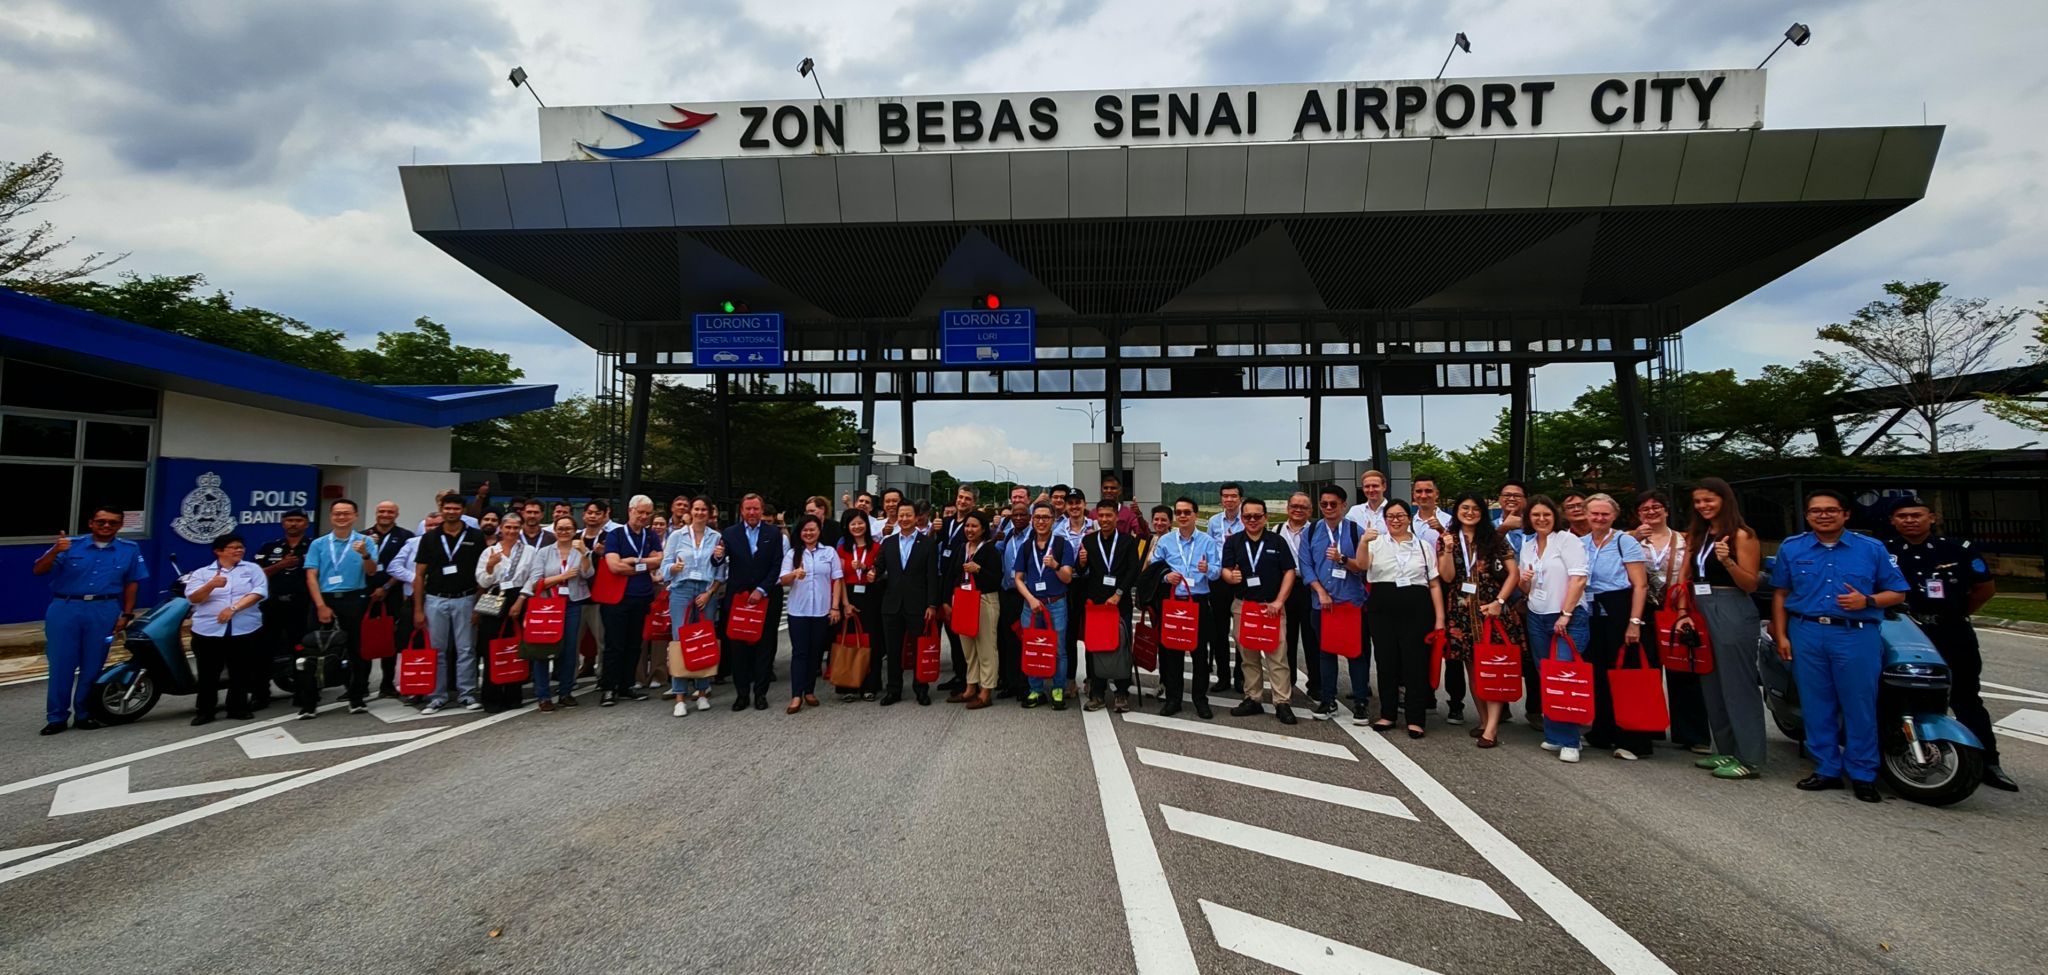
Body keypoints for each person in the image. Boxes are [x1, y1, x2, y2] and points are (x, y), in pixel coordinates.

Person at [1771, 488, 1910, 803]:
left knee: (1859, 704)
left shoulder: (1871, 549)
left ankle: (1863, 772)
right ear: (1807, 516)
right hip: (1807, 631)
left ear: (1845, 514)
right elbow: (1781, 593)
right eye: (1816, 511)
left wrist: (1868, 600)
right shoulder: (1792, 548)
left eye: (1831, 510)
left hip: (1855, 634)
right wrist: (1781, 636)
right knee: (1816, 703)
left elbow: (1897, 592)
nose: (1823, 515)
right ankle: (1827, 768)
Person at [1885, 497, 2015, 791]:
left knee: (1966, 696)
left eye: (1916, 515)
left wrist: (1954, 614)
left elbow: (1984, 589)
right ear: (1893, 521)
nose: (1910, 520)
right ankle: (1897, 749)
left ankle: (1988, 762)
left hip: (1951, 631)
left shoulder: (1958, 549)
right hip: (1903, 632)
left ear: (1931, 518)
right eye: (1902, 516)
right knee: (1896, 692)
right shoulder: (1883, 551)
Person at [32, 506, 148, 735]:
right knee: (61, 664)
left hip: (104, 609)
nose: (106, 526)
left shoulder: (129, 549)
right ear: (91, 523)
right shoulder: (70, 545)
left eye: (113, 522)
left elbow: (132, 583)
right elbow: (38, 570)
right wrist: (55, 550)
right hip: (66, 608)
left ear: (120, 525)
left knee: (93, 665)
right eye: (101, 521)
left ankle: (84, 713)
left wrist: (126, 614)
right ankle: (57, 717)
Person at [1683, 477, 1769, 780]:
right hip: (1701, 606)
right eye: (1698, 501)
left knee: (1738, 685)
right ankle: (1726, 749)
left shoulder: (1742, 535)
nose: (1703, 506)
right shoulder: (1701, 534)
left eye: (1709, 500)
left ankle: (1750, 757)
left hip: (1731, 605)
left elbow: (1750, 584)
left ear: (1724, 499)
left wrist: (1728, 561)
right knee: (1713, 684)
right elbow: (1689, 575)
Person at [1438, 492, 1520, 747]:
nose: (1470, 512)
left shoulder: (1494, 538)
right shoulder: (1447, 538)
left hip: (1491, 611)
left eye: (1475, 508)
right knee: (1473, 670)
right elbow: (1447, 577)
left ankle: (1492, 728)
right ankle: (1484, 720)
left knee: (1491, 668)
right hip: (1461, 612)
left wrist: (1500, 602)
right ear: (1456, 511)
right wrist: (1448, 550)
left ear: (1482, 513)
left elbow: (1513, 573)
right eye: (1465, 508)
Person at [1359, 499, 1444, 737]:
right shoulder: (1375, 541)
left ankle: (1415, 718)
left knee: (1415, 662)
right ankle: (1388, 714)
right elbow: (1362, 565)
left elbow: (1434, 584)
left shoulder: (1423, 546)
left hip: (1417, 608)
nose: (1395, 520)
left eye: (1400, 516)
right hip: (1382, 607)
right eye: (1390, 516)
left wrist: (1439, 618)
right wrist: (1363, 542)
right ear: (1385, 519)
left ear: (1409, 518)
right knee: (1386, 661)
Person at [1633, 490, 1709, 754]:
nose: (1651, 512)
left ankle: (1692, 734)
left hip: (1678, 609)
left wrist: (1684, 608)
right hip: (1643, 610)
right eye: (1645, 509)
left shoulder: (1685, 540)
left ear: (1666, 510)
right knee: (1647, 669)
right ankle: (1650, 727)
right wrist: (1633, 538)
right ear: (1638, 514)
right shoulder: (1631, 540)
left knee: (1684, 668)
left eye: (1656, 507)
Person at [1579, 494, 1652, 760]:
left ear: (1614, 516)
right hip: (1591, 611)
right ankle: (1602, 731)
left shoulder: (1625, 541)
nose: (1599, 518)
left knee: (1625, 675)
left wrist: (1634, 622)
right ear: (1586, 514)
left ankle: (1632, 740)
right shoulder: (1580, 543)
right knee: (1598, 673)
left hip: (1620, 609)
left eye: (1605, 514)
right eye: (1594, 513)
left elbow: (1640, 585)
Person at [1519, 495, 1590, 763]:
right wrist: (1525, 581)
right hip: (1537, 616)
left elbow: (1579, 578)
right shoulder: (1528, 546)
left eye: (1546, 514)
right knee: (1546, 675)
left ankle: (1571, 741)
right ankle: (1555, 734)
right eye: (1535, 515)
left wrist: (1566, 613)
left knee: (1563, 675)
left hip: (1567, 618)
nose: (1541, 519)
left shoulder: (1567, 540)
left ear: (1554, 516)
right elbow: (1526, 588)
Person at [1223, 498, 1300, 725]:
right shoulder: (1234, 541)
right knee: (1248, 656)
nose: (1252, 520)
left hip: (1272, 607)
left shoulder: (1277, 541)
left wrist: (1279, 601)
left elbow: (1289, 572)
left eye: (1257, 516)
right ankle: (1253, 698)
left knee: (1277, 656)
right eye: (1247, 516)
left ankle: (1282, 701)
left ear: (1265, 517)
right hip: (1244, 606)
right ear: (1242, 518)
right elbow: (1225, 569)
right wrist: (1230, 576)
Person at [303, 498, 382, 717]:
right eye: (337, 513)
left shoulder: (366, 541)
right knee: (315, 650)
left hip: (354, 599)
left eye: (346, 513)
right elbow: (311, 576)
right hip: (325, 598)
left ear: (355, 516)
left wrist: (365, 554)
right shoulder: (318, 544)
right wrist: (320, 605)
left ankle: (356, 698)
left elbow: (371, 571)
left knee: (357, 650)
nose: (341, 517)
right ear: (331, 517)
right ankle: (309, 702)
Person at [182, 533, 269, 726]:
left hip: (245, 629)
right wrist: (211, 585)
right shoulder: (202, 573)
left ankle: (238, 707)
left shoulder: (252, 569)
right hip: (208, 631)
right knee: (208, 673)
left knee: (241, 670)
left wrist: (233, 609)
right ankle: (205, 710)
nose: (239, 550)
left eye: (241, 547)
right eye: (233, 547)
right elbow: (193, 598)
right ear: (218, 551)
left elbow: (259, 592)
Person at [415, 493, 487, 714]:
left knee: (466, 649)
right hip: (435, 599)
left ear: (462, 511)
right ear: (441, 509)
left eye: (456, 508)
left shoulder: (476, 536)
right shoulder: (430, 537)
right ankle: (437, 696)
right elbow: (419, 574)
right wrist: (418, 609)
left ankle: (466, 694)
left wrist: (479, 605)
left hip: (466, 599)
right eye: (447, 508)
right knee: (437, 650)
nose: (451, 512)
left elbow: (482, 574)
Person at [1151, 497, 1221, 719]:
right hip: (1174, 602)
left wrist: (1208, 569)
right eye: (1179, 512)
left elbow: (1217, 572)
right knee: (1172, 654)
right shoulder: (1166, 541)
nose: (1182, 516)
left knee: (1200, 654)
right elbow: (1155, 568)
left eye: (1187, 512)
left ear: (1195, 515)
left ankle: (1200, 699)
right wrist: (1166, 576)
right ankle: (1174, 699)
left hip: (1198, 602)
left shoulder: (1207, 541)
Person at [1304, 485, 1369, 721]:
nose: (1329, 508)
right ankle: (1328, 700)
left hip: (1351, 602)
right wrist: (1320, 592)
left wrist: (1342, 559)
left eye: (1333, 504)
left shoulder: (1355, 531)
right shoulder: (1311, 531)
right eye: (1324, 504)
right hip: (1323, 604)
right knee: (1326, 652)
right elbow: (1306, 566)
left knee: (1356, 654)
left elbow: (1363, 566)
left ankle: (1361, 701)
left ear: (1344, 505)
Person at [661, 498, 726, 715]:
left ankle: (702, 691)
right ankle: (679, 695)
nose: (700, 513)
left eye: (704, 510)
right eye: (696, 509)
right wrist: (674, 568)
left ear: (709, 513)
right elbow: (664, 567)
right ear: (691, 511)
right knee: (680, 639)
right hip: (682, 589)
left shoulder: (716, 537)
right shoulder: (677, 536)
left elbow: (720, 573)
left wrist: (709, 593)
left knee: (703, 639)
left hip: (706, 590)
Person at [720, 493, 785, 711]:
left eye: (755, 508)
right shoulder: (730, 533)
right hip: (739, 599)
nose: (752, 512)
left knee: (764, 648)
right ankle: (741, 694)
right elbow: (718, 561)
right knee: (738, 649)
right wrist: (717, 556)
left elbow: (777, 565)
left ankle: (760, 693)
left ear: (761, 510)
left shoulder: (773, 533)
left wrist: (761, 589)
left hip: (765, 598)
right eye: (748, 509)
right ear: (741, 511)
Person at [523, 515, 593, 712]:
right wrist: (562, 576)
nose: (564, 532)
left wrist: (585, 553)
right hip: (548, 604)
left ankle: (565, 692)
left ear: (574, 530)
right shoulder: (544, 552)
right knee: (543, 649)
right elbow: (536, 581)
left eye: (568, 528)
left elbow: (588, 574)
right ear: (554, 530)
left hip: (572, 604)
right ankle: (543, 695)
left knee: (569, 650)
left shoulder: (581, 550)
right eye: (560, 528)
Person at [1013, 500, 1079, 710]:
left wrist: (1055, 565)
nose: (1041, 521)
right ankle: (1036, 689)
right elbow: (1018, 579)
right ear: (1032, 520)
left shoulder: (1062, 545)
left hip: (1056, 604)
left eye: (1046, 518)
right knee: (1033, 646)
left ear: (1053, 520)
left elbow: (1067, 578)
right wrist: (1030, 599)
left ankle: (1058, 688)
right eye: (1037, 517)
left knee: (1059, 649)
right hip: (1031, 605)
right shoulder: (1026, 547)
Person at [599, 496, 662, 708]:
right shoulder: (615, 535)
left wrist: (635, 561)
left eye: (648, 513)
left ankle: (627, 685)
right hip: (617, 597)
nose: (644, 517)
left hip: (642, 596)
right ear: (630, 511)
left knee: (634, 644)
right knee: (614, 644)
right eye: (640, 512)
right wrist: (644, 565)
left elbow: (659, 560)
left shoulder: (650, 535)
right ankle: (609, 687)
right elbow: (614, 566)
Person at [778, 515, 844, 714]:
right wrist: (794, 574)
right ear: (800, 533)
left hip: (821, 611)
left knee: (815, 652)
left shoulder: (829, 552)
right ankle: (796, 695)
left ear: (819, 531)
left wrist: (835, 607)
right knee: (800, 653)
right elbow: (782, 580)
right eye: (805, 530)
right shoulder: (793, 554)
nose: (809, 533)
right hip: (798, 611)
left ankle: (809, 691)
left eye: (812, 529)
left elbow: (837, 580)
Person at [938, 509, 1003, 709]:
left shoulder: (990, 550)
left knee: (986, 648)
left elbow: (996, 580)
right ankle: (970, 688)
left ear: (983, 529)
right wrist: (946, 601)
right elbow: (951, 575)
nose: (969, 529)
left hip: (984, 600)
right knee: (968, 648)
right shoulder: (961, 548)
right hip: (963, 600)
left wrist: (979, 570)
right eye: (967, 526)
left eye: (974, 526)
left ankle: (986, 691)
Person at [1077, 500, 1138, 713]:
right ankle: (1097, 693)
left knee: (1122, 646)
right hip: (1097, 603)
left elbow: (1133, 570)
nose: (1104, 519)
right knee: (1095, 647)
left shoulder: (1127, 541)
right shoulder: (1088, 540)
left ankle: (1121, 692)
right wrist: (1081, 562)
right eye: (1101, 515)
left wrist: (1119, 593)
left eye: (1108, 515)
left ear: (1116, 517)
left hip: (1120, 602)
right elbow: (1082, 572)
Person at [878, 499, 940, 706]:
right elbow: (879, 568)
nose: (904, 519)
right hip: (892, 604)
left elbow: (932, 577)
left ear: (916, 517)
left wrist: (932, 605)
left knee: (920, 648)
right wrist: (871, 572)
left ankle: (921, 689)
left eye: (908, 515)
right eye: (901, 515)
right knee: (893, 650)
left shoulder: (928, 543)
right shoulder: (888, 542)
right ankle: (893, 689)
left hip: (918, 605)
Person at [474, 511, 535, 711]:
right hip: (494, 597)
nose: (511, 531)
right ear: (501, 528)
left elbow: (533, 577)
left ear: (521, 529)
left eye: (516, 527)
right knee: (491, 646)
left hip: (518, 596)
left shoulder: (529, 551)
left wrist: (520, 600)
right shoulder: (490, 551)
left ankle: (513, 695)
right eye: (508, 527)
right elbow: (482, 581)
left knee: (515, 646)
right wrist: (490, 567)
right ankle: (491, 698)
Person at [252, 509, 312, 710]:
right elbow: (256, 574)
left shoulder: (315, 546)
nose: (294, 524)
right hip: (272, 606)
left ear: (306, 523)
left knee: (302, 650)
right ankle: (260, 695)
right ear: (283, 523)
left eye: (298, 520)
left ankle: (303, 692)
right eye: (289, 520)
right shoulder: (269, 547)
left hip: (302, 606)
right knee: (263, 651)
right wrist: (281, 565)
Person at [365, 501, 413, 700]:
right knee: (363, 638)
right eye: (381, 511)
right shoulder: (363, 535)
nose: (385, 514)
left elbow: (405, 566)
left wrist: (385, 587)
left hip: (392, 593)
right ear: (376, 513)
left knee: (390, 639)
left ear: (396, 514)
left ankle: (387, 684)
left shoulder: (406, 537)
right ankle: (360, 684)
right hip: (365, 593)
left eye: (390, 512)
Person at [836, 507, 882, 702]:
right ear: (847, 527)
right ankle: (848, 684)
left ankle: (871, 685)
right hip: (849, 596)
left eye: (860, 523)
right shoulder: (841, 550)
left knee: (871, 641)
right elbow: (839, 578)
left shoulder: (877, 547)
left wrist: (866, 568)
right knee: (849, 640)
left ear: (867, 525)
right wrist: (845, 604)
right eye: (852, 523)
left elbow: (880, 572)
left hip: (871, 597)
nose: (857, 527)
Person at [935, 485, 979, 693]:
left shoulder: (972, 526)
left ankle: (969, 678)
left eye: (967, 499)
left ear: (974, 502)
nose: (962, 501)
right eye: (960, 497)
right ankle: (959, 674)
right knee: (952, 635)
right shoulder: (946, 523)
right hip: (942, 580)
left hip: (961, 583)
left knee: (963, 635)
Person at [1276, 492, 1317, 703]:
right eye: (1294, 506)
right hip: (1285, 588)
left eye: (1303, 507)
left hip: (1309, 586)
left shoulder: (1317, 530)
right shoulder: (1277, 530)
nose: (1298, 510)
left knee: (1312, 638)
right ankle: (1288, 682)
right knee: (1286, 638)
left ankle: (1316, 684)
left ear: (1310, 511)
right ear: (1288, 508)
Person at [1205, 483, 1246, 693]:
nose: (1229, 500)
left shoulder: (1246, 520)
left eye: (1233, 496)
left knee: (1241, 631)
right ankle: (1223, 676)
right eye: (1225, 496)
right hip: (1219, 579)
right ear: (1221, 499)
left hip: (1240, 579)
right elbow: (1210, 549)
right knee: (1218, 631)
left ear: (1240, 499)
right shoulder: (1214, 521)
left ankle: (1241, 676)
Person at [993, 499, 1033, 699]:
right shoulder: (1007, 535)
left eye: (1022, 515)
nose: (1018, 518)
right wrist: (996, 534)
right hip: (1008, 593)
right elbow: (993, 551)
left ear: (1029, 517)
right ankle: (1010, 682)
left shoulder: (1035, 536)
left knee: (1026, 638)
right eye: (1014, 515)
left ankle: (1026, 684)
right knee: (1008, 639)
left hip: (1027, 594)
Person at [573, 501, 611, 682]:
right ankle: (569, 678)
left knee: (602, 641)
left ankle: (603, 677)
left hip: (599, 597)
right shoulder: (575, 537)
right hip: (576, 596)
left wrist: (605, 553)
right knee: (572, 642)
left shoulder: (609, 538)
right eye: (589, 512)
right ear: (583, 515)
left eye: (597, 513)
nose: (592, 516)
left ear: (604, 516)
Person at [1101, 473, 1150, 542]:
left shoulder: (1128, 513)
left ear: (1120, 491)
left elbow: (1144, 535)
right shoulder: (1093, 513)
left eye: (1113, 488)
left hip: (1121, 547)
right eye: (1105, 488)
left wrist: (1139, 515)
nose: (1109, 491)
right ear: (1101, 490)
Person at [1345, 469, 1391, 536]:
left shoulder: (1394, 511)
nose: (1371, 490)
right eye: (1367, 486)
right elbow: (1346, 536)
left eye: (1375, 486)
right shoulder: (1355, 512)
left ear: (1384, 487)